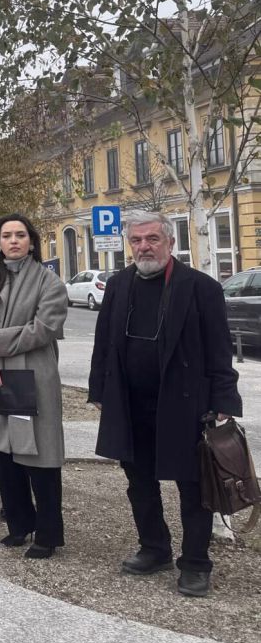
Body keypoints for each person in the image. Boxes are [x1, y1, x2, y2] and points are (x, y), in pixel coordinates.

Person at [89, 211, 242, 596]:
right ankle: (154, 548)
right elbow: (104, 344)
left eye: (152, 239)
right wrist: (99, 392)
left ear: (170, 242)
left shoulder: (200, 287)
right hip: (129, 403)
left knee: (193, 487)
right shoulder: (119, 284)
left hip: (185, 405)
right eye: (137, 240)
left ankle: (195, 563)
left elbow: (220, 350)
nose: (144, 247)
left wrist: (224, 398)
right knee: (139, 483)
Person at [0, 213, 68, 559]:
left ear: (32, 241)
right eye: (6, 235)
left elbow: (45, 327)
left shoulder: (48, 281)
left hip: (33, 375)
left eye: (20, 235)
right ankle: (19, 525)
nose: (13, 241)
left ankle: (48, 534)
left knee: (39, 455)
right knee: (4, 453)